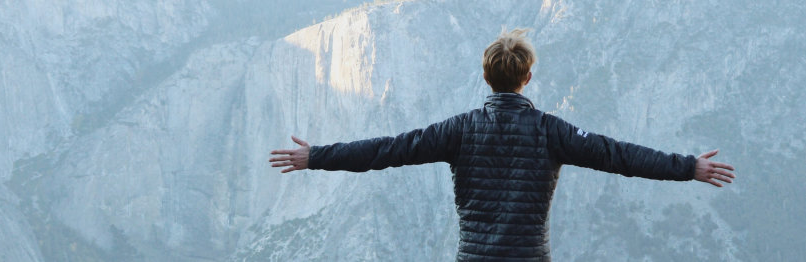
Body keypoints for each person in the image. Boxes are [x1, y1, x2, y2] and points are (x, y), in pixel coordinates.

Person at [268, 28, 736, 261]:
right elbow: (619, 155)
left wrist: (316, 156)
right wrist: (687, 166)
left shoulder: (458, 130)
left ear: (486, 78)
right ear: (528, 77)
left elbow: (387, 150)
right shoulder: (553, 132)